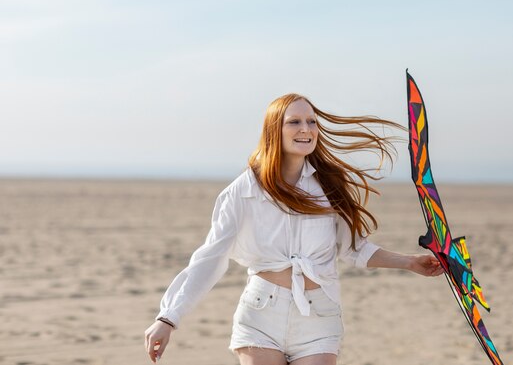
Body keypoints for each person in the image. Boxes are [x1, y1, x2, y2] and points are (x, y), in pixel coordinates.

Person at [144, 93, 443, 364]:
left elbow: (354, 249)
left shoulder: (329, 186)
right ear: (275, 129)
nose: (306, 128)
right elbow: (210, 258)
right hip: (261, 315)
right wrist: (168, 318)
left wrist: (410, 262)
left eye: (312, 121)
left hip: (319, 317)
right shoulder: (244, 190)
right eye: (295, 121)